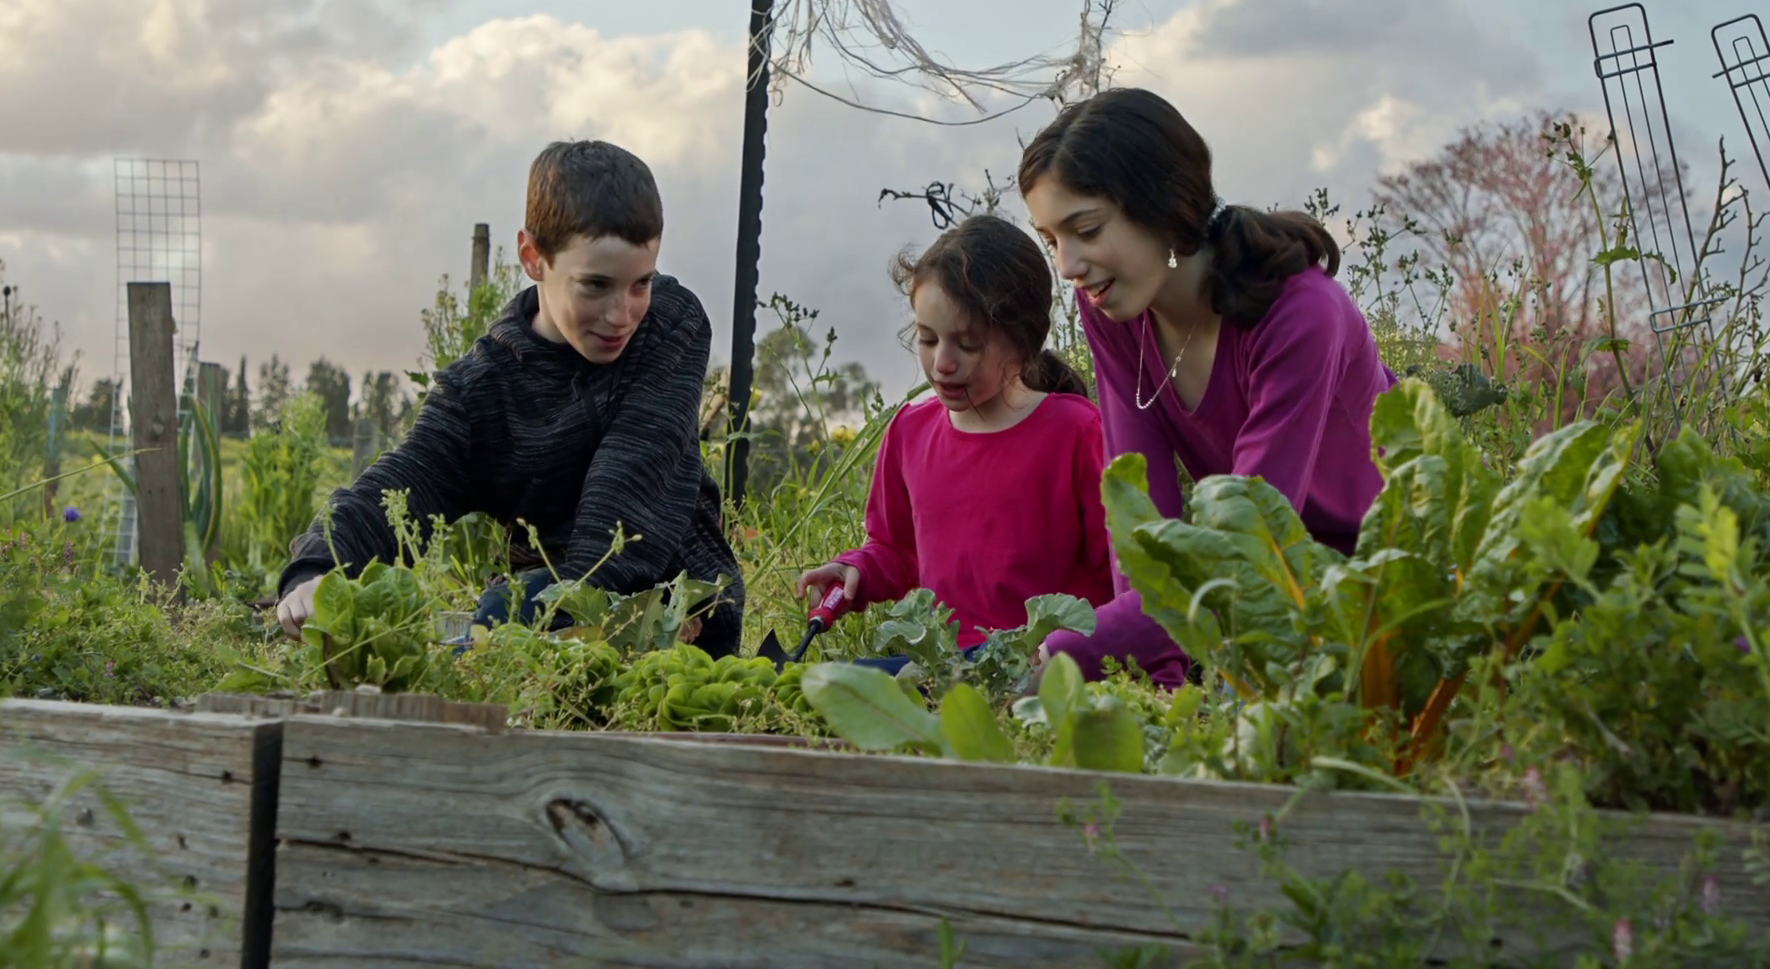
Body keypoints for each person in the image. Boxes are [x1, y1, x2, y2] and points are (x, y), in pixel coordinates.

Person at [273, 140, 744, 657]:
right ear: (532, 258)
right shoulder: (483, 390)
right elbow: (406, 479)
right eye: (595, 285)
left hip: (674, 621)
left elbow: (632, 476)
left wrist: (545, 626)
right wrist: (318, 571)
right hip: (540, 632)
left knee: (497, 617)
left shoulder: (670, 324)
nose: (622, 314)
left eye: (640, 284)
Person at [1018, 87, 1396, 689]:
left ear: (1164, 207)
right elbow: (1139, 511)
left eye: (1085, 229)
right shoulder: (1113, 309)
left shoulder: (1301, 314)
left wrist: (1085, 645)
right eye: (1051, 240)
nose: (1067, 265)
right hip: (1257, 610)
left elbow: (1251, 543)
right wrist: (1149, 677)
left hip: (1381, 598)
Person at [796, 214, 1114, 665]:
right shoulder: (909, 431)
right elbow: (896, 550)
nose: (942, 363)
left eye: (967, 345)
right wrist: (857, 570)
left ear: (1023, 341)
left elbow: (1121, 573)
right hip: (945, 670)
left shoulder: (1077, 431)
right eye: (928, 339)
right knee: (827, 685)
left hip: (1044, 668)